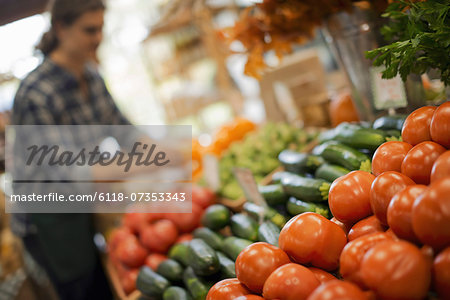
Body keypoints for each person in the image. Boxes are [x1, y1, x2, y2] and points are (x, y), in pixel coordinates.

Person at [10, 0, 132, 299]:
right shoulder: (36, 93)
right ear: (61, 29)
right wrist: (138, 164)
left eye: (101, 29)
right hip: (51, 220)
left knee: (108, 280)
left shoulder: (91, 76)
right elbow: (70, 174)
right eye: (89, 30)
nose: (98, 38)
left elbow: (126, 132)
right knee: (86, 290)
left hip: (84, 204)